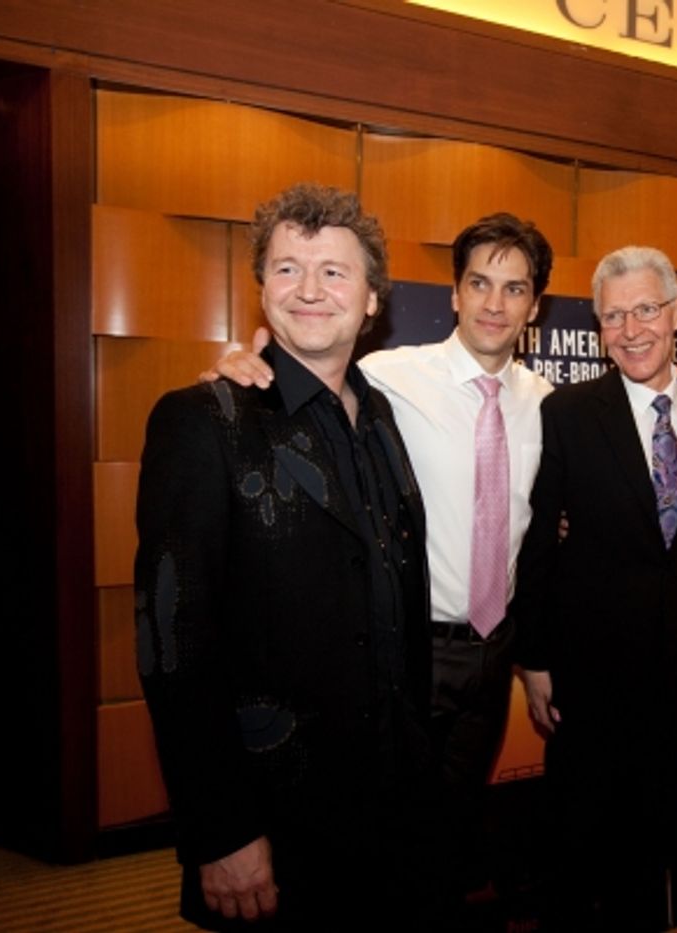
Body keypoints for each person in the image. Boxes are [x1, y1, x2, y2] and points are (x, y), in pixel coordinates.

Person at [210, 212, 556, 921]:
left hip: (496, 653)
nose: (494, 303)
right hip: (406, 652)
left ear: (535, 305)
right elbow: (298, 375)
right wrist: (240, 366)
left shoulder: (549, 404)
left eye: (513, 289)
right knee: (384, 840)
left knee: (452, 833)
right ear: (454, 293)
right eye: (479, 284)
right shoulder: (385, 376)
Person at [134, 183, 437, 930]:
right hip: (274, 817)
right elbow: (172, 643)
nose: (309, 289)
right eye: (287, 269)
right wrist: (220, 829)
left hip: (390, 803)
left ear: (372, 300)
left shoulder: (383, 417)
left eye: (334, 271)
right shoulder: (203, 420)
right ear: (261, 288)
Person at [513, 246, 677, 932]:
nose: (632, 328)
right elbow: (537, 543)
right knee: (576, 854)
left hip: (675, 683)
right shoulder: (568, 413)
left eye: (646, 309)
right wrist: (536, 660)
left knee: (652, 848)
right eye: (614, 315)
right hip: (589, 680)